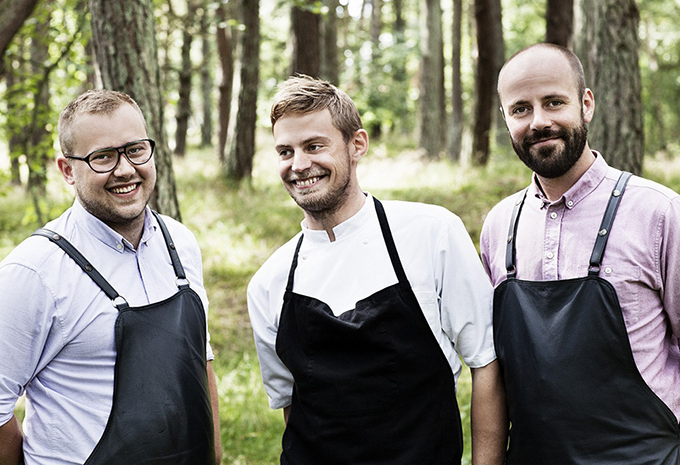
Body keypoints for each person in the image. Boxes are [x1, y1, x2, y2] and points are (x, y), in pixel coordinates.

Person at [247, 75, 507, 464]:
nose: (299, 165)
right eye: (286, 151)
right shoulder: (269, 283)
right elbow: (291, 406)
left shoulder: (431, 234)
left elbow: (486, 363)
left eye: (314, 146)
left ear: (357, 145)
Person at [481, 43, 680, 463]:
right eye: (520, 109)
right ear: (505, 119)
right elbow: (492, 371)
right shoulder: (500, 226)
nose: (539, 121)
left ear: (585, 104)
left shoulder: (658, 212)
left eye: (554, 102)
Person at [0, 90, 221, 464]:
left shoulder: (180, 243)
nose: (125, 169)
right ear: (67, 170)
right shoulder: (33, 273)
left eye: (135, 150)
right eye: (102, 157)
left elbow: (201, 361)